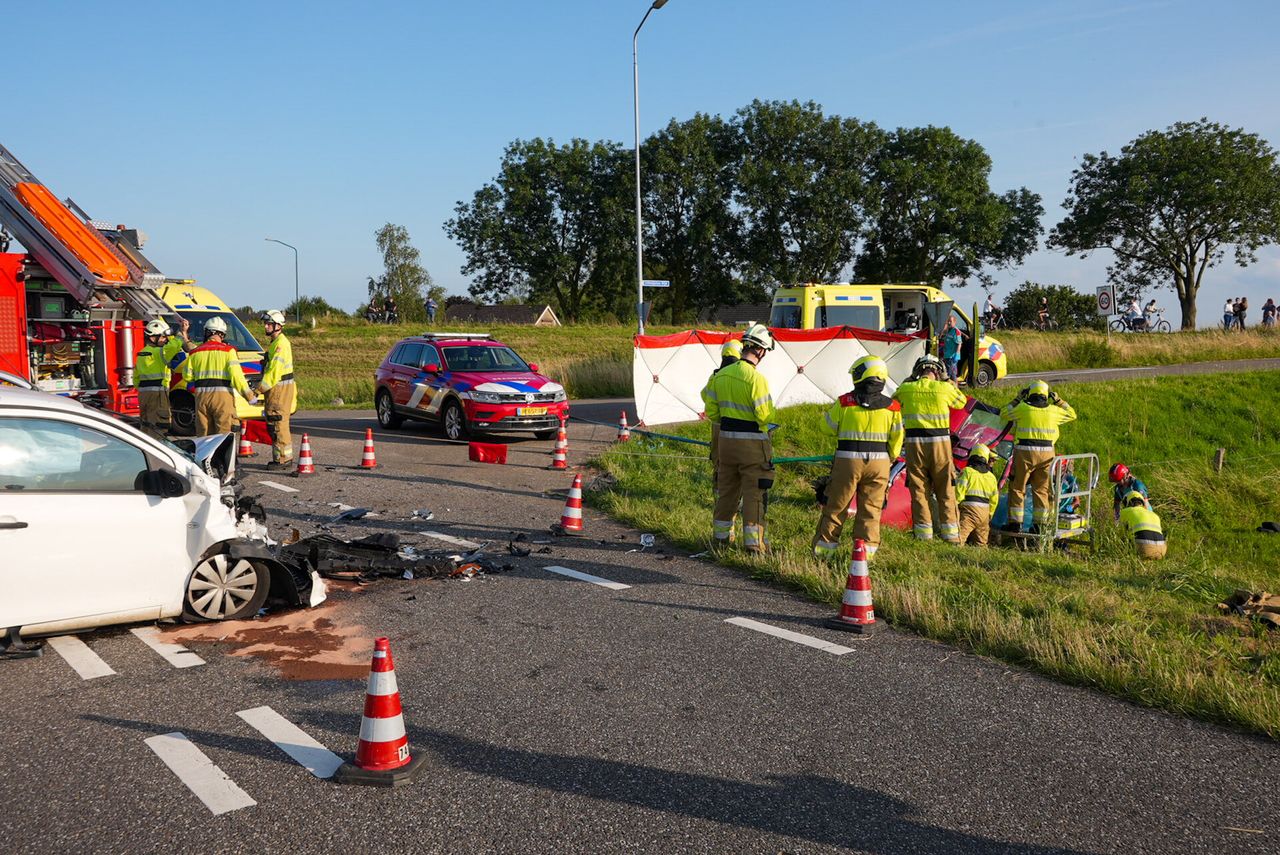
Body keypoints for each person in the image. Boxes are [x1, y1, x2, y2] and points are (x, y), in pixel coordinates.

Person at [812, 356, 904, 560]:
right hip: (880, 463)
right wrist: (889, 458)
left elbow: (826, 428)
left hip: (847, 460)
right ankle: (865, 557)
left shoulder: (845, 402)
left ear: (861, 376)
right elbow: (897, 439)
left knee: (837, 506)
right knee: (871, 509)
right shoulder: (893, 407)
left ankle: (824, 552)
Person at [705, 323, 776, 552]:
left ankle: (721, 540)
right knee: (753, 494)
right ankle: (754, 546)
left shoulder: (721, 376)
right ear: (761, 351)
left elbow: (713, 413)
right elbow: (765, 416)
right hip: (753, 446)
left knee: (726, 492)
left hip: (726, 444)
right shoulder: (756, 379)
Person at [893, 354, 967, 542]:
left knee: (918, 489)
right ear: (939, 371)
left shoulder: (907, 388)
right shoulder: (944, 388)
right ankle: (951, 536)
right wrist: (948, 381)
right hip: (940, 446)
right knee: (945, 489)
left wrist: (911, 378)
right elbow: (961, 402)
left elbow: (895, 399)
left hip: (914, 445)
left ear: (917, 371)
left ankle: (923, 535)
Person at [1001, 380, 1076, 534]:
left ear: (1030, 394)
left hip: (1025, 451)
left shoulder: (1023, 408)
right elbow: (1072, 414)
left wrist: (1017, 399)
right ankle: (1039, 526)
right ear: (1046, 395)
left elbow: (1004, 413)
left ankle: (1015, 524)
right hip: (1047, 455)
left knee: (1017, 487)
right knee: (1042, 490)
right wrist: (1058, 400)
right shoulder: (1054, 411)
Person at [184, 316, 256, 435]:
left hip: (202, 398)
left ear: (207, 332)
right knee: (224, 435)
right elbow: (237, 377)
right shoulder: (228, 351)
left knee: (204, 437)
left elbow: (187, 376)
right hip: (223, 398)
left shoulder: (195, 352)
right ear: (222, 334)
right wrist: (249, 397)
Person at [701, 338, 744, 503]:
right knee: (739, 463)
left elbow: (705, 395)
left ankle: (719, 495)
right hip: (739, 424)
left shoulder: (716, 375)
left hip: (718, 425)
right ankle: (738, 498)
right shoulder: (741, 374)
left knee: (719, 461)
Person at [134, 317, 190, 440]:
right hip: (158, 394)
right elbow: (175, 344)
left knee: (146, 426)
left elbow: (136, 380)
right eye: (163, 337)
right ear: (153, 337)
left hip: (143, 395)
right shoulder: (162, 352)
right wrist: (182, 331)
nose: (165, 340)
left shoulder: (141, 353)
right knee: (160, 426)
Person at [258, 310, 296, 470]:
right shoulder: (276, 343)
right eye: (265, 323)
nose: (266, 326)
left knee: (278, 423)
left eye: (269, 324)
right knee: (274, 424)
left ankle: (283, 459)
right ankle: (280, 457)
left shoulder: (280, 344)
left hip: (279, 389)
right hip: (277, 389)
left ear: (278, 326)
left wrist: (258, 390)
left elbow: (274, 373)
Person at [954, 443, 998, 546]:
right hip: (985, 513)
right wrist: (990, 514)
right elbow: (994, 499)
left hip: (969, 511)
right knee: (982, 543)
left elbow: (959, 492)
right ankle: (981, 559)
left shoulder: (967, 472)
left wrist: (955, 505)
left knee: (959, 539)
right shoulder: (991, 477)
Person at [1119, 490, 1167, 559]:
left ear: (1127, 502)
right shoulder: (1154, 514)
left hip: (1144, 550)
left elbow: (1120, 533)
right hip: (1161, 552)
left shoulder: (1125, 511)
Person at [940, 317, 965, 382]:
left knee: (953, 375)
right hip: (947, 356)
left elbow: (959, 344)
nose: (949, 323)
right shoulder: (948, 330)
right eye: (948, 321)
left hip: (952, 357)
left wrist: (956, 354)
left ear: (954, 322)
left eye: (950, 321)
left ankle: (955, 389)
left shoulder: (956, 331)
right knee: (948, 374)